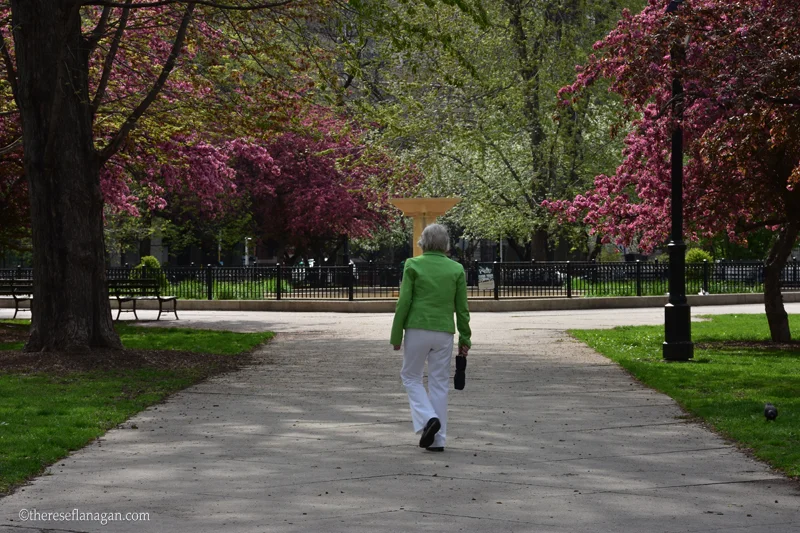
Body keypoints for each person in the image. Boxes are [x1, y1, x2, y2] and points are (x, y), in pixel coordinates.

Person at [390, 223, 471, 452]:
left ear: (422, 242)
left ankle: (428, 419)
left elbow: (404, 302)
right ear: (446, 244)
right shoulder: (456, 269)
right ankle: (438, 440)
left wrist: (396, 334)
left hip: (417, 328)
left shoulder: (413, 265)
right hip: (444, 331)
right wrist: (465, 338)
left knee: (411, 376)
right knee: (439, 383)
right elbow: (462, 309)